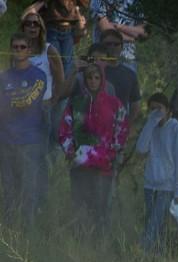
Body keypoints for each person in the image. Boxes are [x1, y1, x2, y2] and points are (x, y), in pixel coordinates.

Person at [58, 62, 128, 229]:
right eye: (89, 77)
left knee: (101, 210)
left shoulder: (114, 104)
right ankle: (81, 246)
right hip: (80, 165)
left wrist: (114, 153)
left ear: (102, 79)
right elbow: (64, 130)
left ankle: (100, 248)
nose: (93, 81)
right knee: (79, 208)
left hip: (104, 166)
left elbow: (122, 129)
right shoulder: (75, 103)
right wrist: (71, 151)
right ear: (85, 79)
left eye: (97, 77)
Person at [0, 33, 48, 225]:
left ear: (29, 50)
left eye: (22, 47)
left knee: (29, 189)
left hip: (29, 141)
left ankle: (28, 232)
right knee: (9, 189)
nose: (18, 50)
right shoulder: (4, 76)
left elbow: (27, 101)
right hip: (5, 140)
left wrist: (8, 100)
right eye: (15, 47)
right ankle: (10, 232)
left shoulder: (39, 75)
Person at [135, 93, 178, 253]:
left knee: (154, 224)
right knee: (156, 225)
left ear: (167, 110)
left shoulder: (177, 129)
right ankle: (157, 257)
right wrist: (150, 124)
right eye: (152, 109)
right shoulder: (150, 127)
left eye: (159, 109)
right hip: (150, 185)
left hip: (167, 187)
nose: (156, 113)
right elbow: (141, 149)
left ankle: (142, 254)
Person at [24, 0, 88, 76]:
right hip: (52, 29)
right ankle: (53, 84)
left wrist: (79, 17)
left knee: (66, 62)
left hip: (68, 30)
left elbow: (84, 5)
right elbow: (27, 14)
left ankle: (64, 85)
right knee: (53, 61)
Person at [89, 0, 146, 71]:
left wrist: (119, 27)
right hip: (104, 58)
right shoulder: (98, 1)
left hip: (128, 59)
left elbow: (143, 32)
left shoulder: (135, 2)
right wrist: (131, 38)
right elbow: (106, 29)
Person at [99, 28, 140, 122]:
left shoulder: (130, 74)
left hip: (118, 126)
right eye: (108, 44)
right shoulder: (92, 70)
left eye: (116, 44)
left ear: (122, 47)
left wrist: (127, 126)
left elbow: (135, 105)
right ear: (101, 46)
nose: (112, 47)